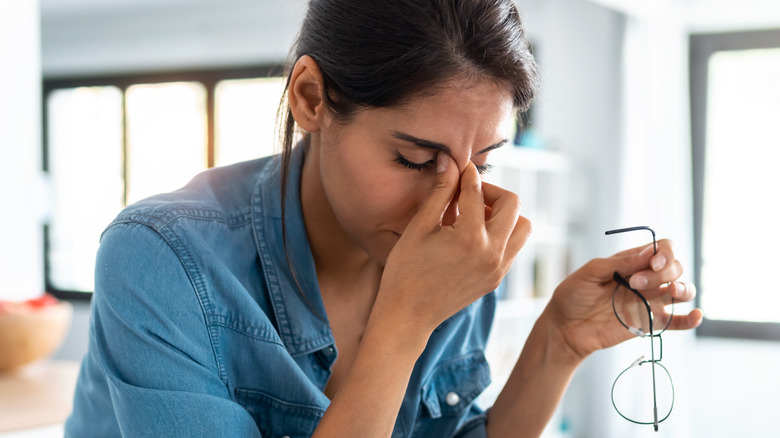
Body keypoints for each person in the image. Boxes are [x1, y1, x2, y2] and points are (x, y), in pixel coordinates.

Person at [65, 0, 703, 437]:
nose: (453, 203)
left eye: (483, 160)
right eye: (414, 158)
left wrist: (558, 343)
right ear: (311, 98)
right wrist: (405, 319)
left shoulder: (457, 248)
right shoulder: (161, 260)